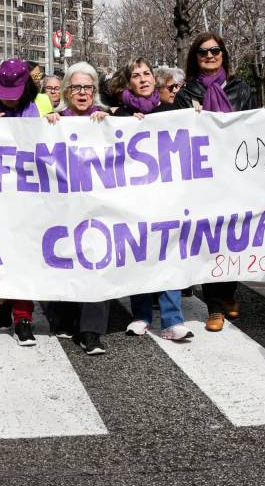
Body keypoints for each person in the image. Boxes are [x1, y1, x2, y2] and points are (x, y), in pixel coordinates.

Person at [173, 33, 254, 332]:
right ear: (195, 57)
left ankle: (229, 292)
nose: (210, 56)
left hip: (236, 175)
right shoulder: (186, 93)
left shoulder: (240, 88)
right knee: (210, 239)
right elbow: (176, 133)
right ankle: (214, 306)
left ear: (223, 54)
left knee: (234, 239)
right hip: (203, 178)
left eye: (215, 51)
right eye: (203, 52)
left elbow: (257, 125)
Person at [111, 58, 193, 343]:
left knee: (169, 254)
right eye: (136, 75)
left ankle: (173, 320)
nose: (143, 79)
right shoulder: (119, 114)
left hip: (166, 198)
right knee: (140, 255)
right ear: (128, 82)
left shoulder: (173, 112)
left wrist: (197, 115)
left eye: (147, 73)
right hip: (133, 199)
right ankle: (141, 316)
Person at [44, 62, 109, 354]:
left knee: (97, 261)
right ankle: (64, 318)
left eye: (88, 87)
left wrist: (117, 120)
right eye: (76, 87)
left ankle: (91, 331)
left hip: (98, 206)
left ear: (94, 91)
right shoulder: (52, 120)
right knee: (64, 258)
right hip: (62, 206)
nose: (82, 93)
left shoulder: (107, 118)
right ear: (67, 91)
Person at [0, 58, 44, 345]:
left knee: (25, 256)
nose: (8, 102)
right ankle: (6, 301)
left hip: (30, 195)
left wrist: (54, 123)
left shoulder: (39, 106)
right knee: (5, 254)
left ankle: (23, 317)